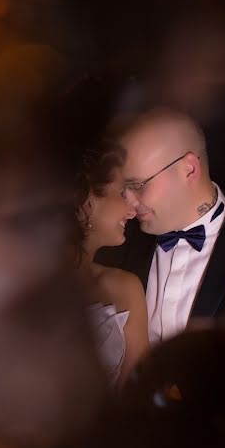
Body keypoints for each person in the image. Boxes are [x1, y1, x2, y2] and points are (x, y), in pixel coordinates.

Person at [98, 108, 225, 345]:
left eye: (138, 185)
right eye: (124, 189)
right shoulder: (115, 243)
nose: (129, 202)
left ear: (189, 169)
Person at [74, 141, 149, 389]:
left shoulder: (125, 288)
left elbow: (138, 399)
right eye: (121, 193)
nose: (132, 210)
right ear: (86, 203)